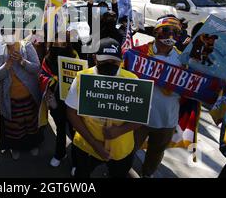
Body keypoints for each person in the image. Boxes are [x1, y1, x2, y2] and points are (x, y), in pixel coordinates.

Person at [65, 38, 140, 178]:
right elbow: (71, 112)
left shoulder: (133, 80)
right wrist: (94, 144)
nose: (110, 64)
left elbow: (141, 117)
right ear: (95, 58)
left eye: (114, 61)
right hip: (87, 145)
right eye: (104, 60)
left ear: (121, 60)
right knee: (82, 174)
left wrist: (120, 130)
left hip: (121, 149)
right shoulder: (82, 78)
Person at [133, 15, 183, 177]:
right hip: (138, 117)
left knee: (156, 153)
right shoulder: (139, 53)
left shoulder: (184, 60)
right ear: (156, 32)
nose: (170, 35)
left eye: (176, 32)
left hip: (166, 119)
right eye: (166, 30)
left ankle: (147, 173)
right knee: (128, 149)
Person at [0, 35, 42, 160]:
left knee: (32, 123)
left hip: (29, 96)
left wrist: (22, 61)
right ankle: (15, 147)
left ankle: (33, 145)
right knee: (15, 127)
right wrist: (7, 65)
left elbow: (37, 67)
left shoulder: (27, 46)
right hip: (11, 98)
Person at [39, 33, 79, 171]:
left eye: (63, 44)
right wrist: (52, 81)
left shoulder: (74, 56)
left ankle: (76, 161)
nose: (59, 47)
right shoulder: (48, 58)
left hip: (72, 101)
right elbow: (42, 75)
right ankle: (60, 153)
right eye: (56, 44)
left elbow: (80, 75)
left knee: (74, 132)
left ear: (68, 44)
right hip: (56, 100)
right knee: (60, 128)